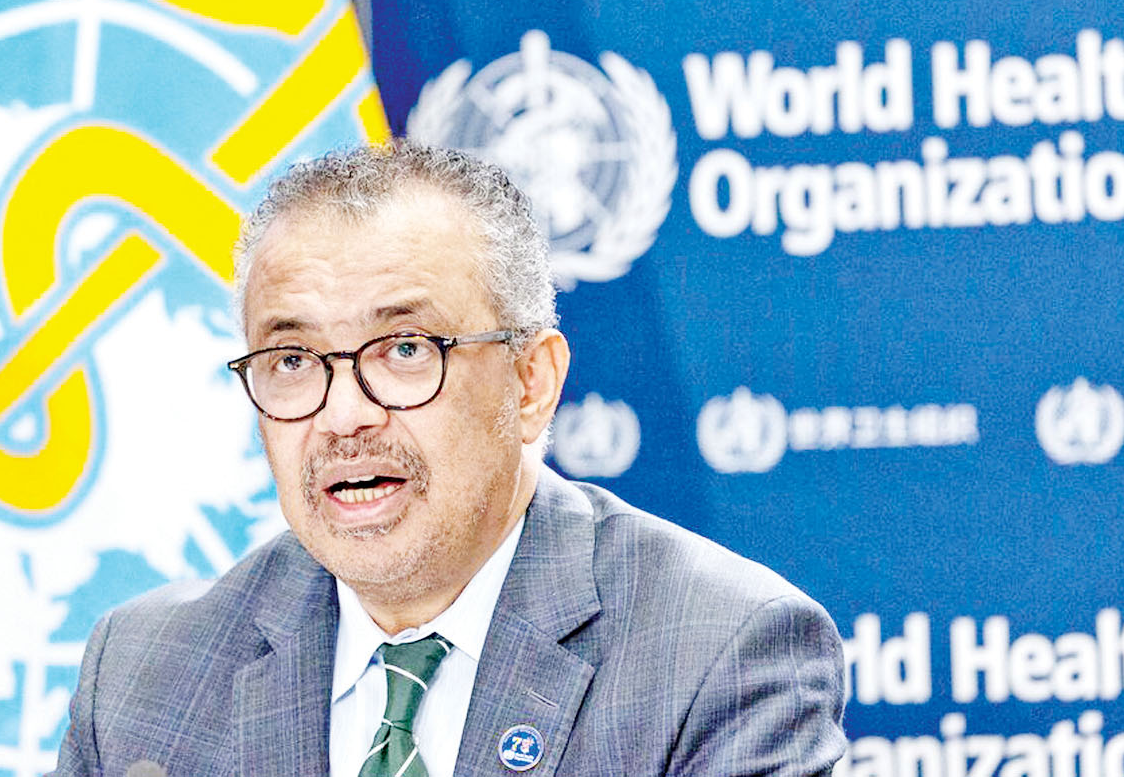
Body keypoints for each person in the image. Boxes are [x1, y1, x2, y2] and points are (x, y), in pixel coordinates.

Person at [50, 142, 846, 777]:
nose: (344, 415)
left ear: (530, 382)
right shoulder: (143, 677)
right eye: (292, 360)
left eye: (404, 348)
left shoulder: (717, 655)